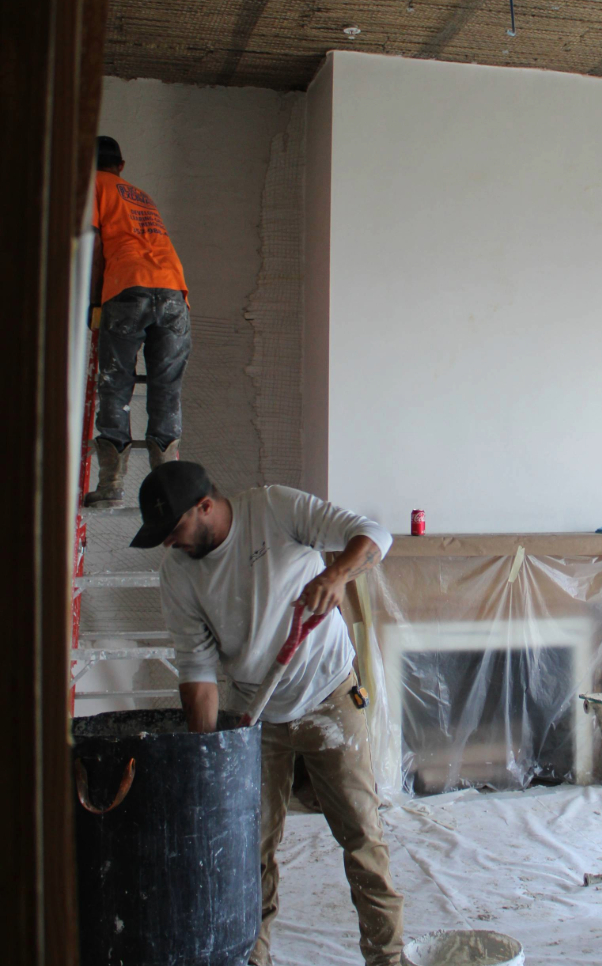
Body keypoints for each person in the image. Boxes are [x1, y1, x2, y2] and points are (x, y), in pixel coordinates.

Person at [131, 462, 404, 966]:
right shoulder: (178, 574)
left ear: (205, 506)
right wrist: (207, 756)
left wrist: (336, 573)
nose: (170, 544)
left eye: (175, 531)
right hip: (253, 712)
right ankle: (249, 958)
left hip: (328, 694)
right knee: (246, 850)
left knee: (362, 836)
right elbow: (197, 671)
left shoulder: (274, 509)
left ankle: (386, 958)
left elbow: (373, 534)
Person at [85, 136, 191, 507]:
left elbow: (95, 246)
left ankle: (111, 486)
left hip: (128, 289)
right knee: (167, 388)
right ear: (122, 165)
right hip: (174, 292)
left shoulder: (92, 186)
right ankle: (168, 490)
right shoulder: (139, 194)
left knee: (116, 383)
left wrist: (93, 301)